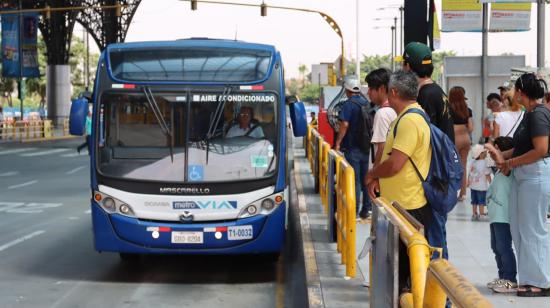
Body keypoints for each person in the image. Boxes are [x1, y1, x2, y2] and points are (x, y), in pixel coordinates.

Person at [365, 70, 432, 291]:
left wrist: (373, 174)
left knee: (404, 279)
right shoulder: (404, 117)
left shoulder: (410, 121)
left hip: (408, 207)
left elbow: (395, 164)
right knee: (397, 275)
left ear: (393, 92)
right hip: (399, 204)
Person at [485, 73, 550, 297]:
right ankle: (530, 277)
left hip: (535, 175)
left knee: (533, 229)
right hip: (525, 176)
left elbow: (541, 150)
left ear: (522, 92)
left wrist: (510, 162)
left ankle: (541, 281)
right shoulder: (528, 115)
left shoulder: (539, 115)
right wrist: (501, 156)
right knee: (521, 229)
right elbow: (522, 148)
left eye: (515, 90)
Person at [402, 41, 453, 259]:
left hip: (433, 176)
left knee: (433, 237)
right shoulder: (437, 92)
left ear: (408, 67)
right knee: (436, 232)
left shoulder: (424, 96)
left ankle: (439, 290)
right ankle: (440, 288)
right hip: (442, 173)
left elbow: (421, 139)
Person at [334, 77, 371, 219]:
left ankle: (354, 211)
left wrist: (338, 142)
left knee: (354, 180)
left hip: (352, 148)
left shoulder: (348, 105)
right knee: (365, 179)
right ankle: (366, 209)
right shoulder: (366, 103)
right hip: (365, 147)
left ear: (348, 90)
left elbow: (344, 125)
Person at [486, 136, 517, 293]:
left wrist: (492, 149)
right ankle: (503, 276)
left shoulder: (508, 169)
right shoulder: (499, 170)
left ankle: (510, 280)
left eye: (495, 151)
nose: (491, 156)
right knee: (496, 247)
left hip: (504, 217)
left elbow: (501, 162)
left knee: (504, 247)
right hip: (496, 216)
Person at [365, 68, 397, 168]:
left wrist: (373, 175)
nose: (368, 92)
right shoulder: (398, 109)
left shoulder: (382, 114)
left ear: (382, 89)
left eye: (370, 88)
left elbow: (382, 148)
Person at [449, 86, 473, 200]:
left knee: (452, 166)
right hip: (466, 139)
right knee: (463, 165)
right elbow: (471, 128)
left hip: (454, 138)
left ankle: (452, 192)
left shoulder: (448, 109)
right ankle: (463, 193)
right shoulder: (467, 110)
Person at [468, 144, 491, 221]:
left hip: (473, 186)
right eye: (484, 152)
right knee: (481, 201)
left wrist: (469, 182)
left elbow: (470, 174)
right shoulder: (485, 163)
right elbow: (487, 174)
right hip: (481, 187)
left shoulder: (473, 162)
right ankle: (481, 214)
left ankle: (474, 214)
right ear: (480, 154)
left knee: (474, 201)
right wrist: (490, 182)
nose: (486, 153)